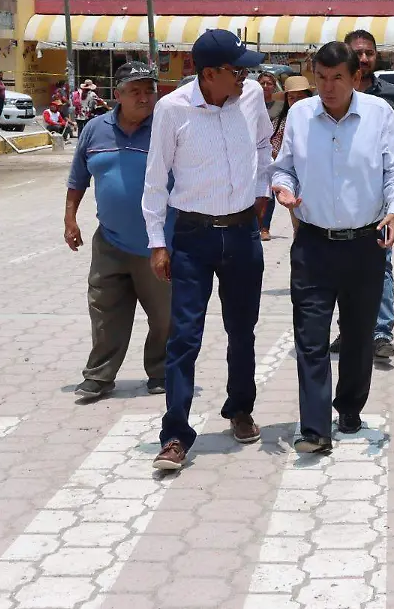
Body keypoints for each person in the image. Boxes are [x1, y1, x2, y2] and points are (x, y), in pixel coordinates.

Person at [270, 41, 394, 454]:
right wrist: (284, 190)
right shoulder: (299, 114)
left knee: (357, 335)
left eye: (337, 78)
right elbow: (285, 168)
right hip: (313, 244)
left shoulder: (378, 115)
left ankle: (350, 407)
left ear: (356, 78)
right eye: (321, 78)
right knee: (310, 337)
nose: (327, 87)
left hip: (365, 244)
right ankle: (314, 427)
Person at [142, 29, 272, 471]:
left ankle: (240, 408)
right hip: (192, 238)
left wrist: (260, 194)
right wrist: (157, 243)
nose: (245, 77)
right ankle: (176, 433)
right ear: (210, 74)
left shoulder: (250, 97)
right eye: (237, 70)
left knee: (243, 329)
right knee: (184, 338)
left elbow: (261, 145)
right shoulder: (172, 109)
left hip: (241, 236)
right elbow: (156, 180)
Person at [66, 62, 171, 400]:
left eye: (149, 90)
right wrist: (70, 219)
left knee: (165, 316)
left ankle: (162, 371)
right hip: (109, 240)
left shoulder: (166, 128)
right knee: (104, 309)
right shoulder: (95, 129)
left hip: (157, 243)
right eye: (136, 91)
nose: (145, 97)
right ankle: (99, 376)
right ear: (118, 95)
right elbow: (78, 178)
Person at [327, 29, 394, 362]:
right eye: (357, 52)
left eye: (369, 52)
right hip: (336, 199)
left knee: (380, 266)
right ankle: (350, 329)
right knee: (340, 269)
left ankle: (380, 333)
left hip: (376, 202)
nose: (363, 57)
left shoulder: (388, 95)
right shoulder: (327, 93)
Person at [267, 75, 312, 239]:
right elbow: (274, 147)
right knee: (300, 231)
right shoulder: (281, 121)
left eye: (300, 97)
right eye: (291, 98)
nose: (295, 101)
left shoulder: (320, 119)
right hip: (294, 186)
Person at [257, 71, 284, 241]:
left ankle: (265, 227)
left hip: (273, 153)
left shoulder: (280, 107)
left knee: (270, 192)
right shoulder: (250, 103)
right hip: (253, 152)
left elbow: (282, 129)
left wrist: (277, 150)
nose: (266, 86)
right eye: (262, 83)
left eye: (269, 83)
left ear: (274, 86)